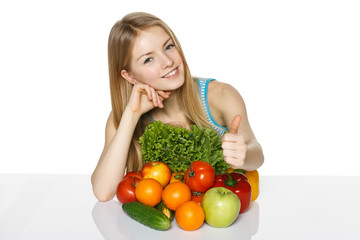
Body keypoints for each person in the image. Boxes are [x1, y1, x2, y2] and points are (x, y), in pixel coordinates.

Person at [91, 12, 264, 201]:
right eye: (149, 59)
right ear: (130, 76)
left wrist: (244, 155)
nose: (168, 61)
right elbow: (103, 191)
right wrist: (132, 114)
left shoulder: (221, 95)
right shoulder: (123, 118)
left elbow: (257, 153)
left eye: (169, 46)